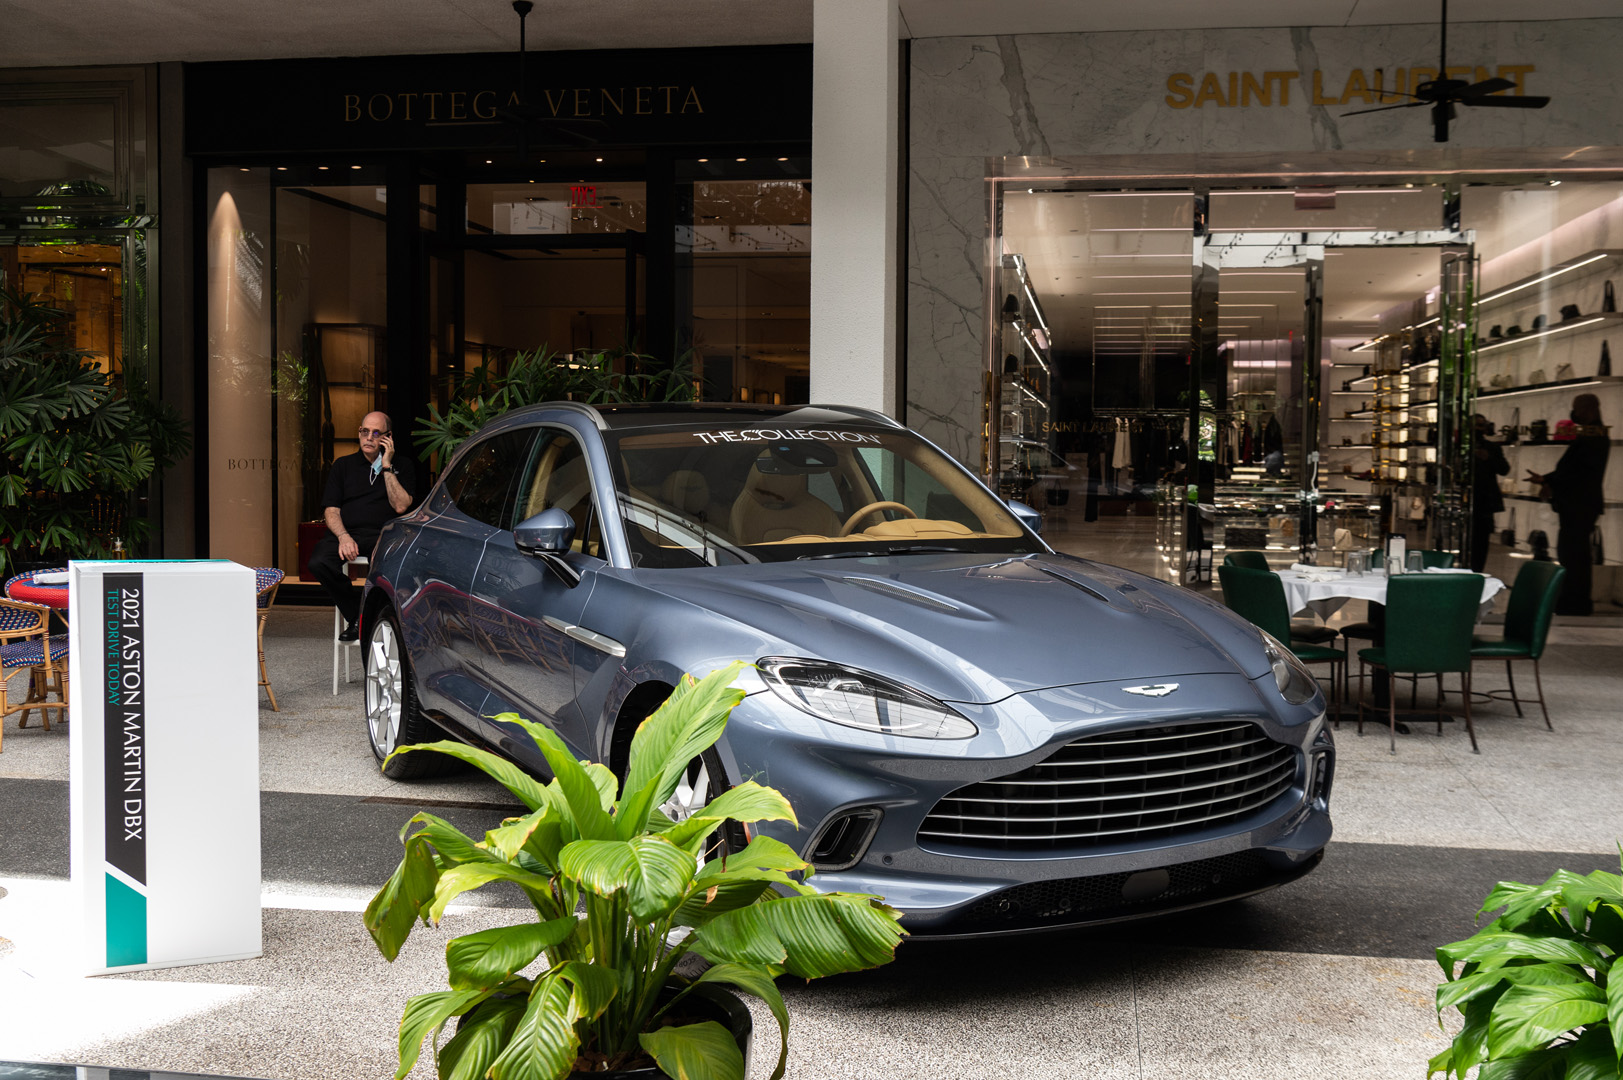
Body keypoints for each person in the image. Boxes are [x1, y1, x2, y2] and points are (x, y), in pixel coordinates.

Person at [311, 411, 415, 640]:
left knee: (387, 568)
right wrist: (343, 537)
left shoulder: (402, 466)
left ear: (388, 437)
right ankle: (360, 616)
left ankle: (378, 620)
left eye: (376, 433)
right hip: (349, 533)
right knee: (319, 561)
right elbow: (331, 510)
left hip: (384, 534)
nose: (368, 437)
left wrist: (387, 466)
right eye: (364, 431)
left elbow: (400, 506)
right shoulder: (343, 466)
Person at [1526, 393, 1609, 616]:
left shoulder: (1594, 438)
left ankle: (1575, 601)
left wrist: (1548, 480)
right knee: (1573, 555)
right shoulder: (1591, 437)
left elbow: (1577, 474)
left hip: (1579, 506)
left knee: (1574, 556)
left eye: (1577, 408)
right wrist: (1548, 480)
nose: (1574, 413)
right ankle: (1574, 600)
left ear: (1588, 409)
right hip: (1578, 505)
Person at [1470, 413, 1509, 573]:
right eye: (1476, 426)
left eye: (1482, 425)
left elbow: (1504, 469)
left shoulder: (1492, 448)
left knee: (1481, 542)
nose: (1479, 429)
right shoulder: (1460, 448)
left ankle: (1477, 572)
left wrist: (1488, 458)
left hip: (1484, 502)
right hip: (1465, 500)